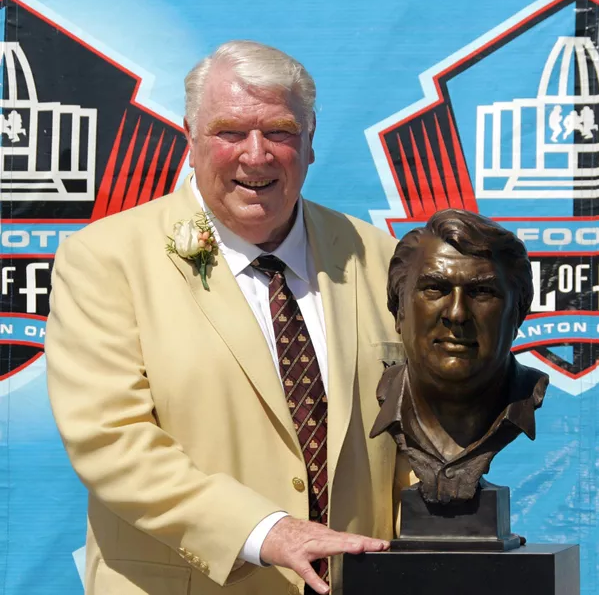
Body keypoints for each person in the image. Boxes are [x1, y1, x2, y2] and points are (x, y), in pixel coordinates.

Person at [45, 40, 410, 595]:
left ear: (311, 141)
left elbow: (413, 434)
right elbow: (110, 440)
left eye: (280, 131)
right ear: (190, 138)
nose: (256, 154)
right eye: (230, 132)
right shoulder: (105, 259)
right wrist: (267, 532)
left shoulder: (377, 255)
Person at [370, 209, 548, 505]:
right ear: (399, 310)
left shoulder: (526, 393)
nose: (456, 314)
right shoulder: (371, 395)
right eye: (434, 289)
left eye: (481, 291)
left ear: (517, 314)